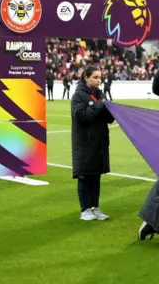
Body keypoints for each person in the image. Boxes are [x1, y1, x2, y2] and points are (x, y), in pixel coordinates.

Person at [71, 66, 115, 221]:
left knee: (96, 176)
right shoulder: (78, 96)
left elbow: (109, 119)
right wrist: (98, 105)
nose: (99, 80)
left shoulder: (100, 94)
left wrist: (110, 108)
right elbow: (81, 117)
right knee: (84, 175)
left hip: (100, 142)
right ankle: (85, 210)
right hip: (85, 143)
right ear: (86, 78)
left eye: (100, 77)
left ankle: (95, 207)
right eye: (95, 77)